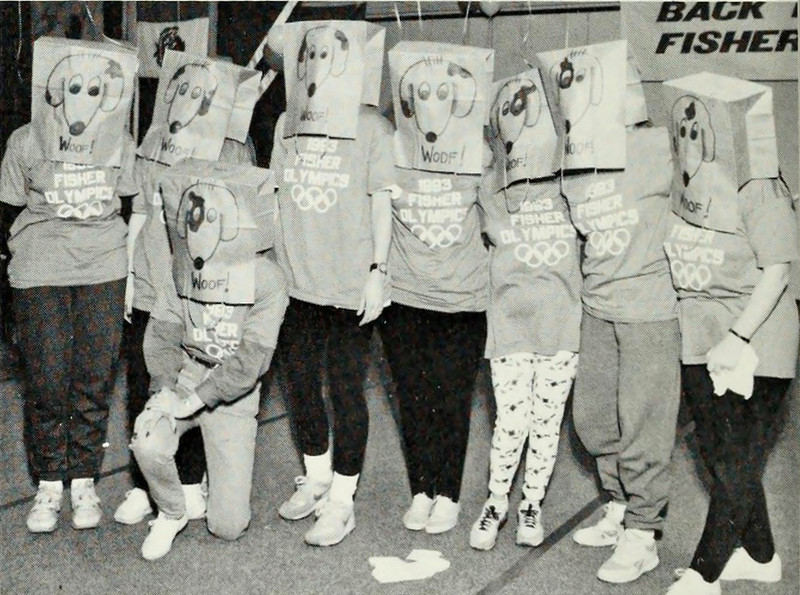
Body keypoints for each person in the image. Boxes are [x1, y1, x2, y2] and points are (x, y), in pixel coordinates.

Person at [662, 74, 799, 595]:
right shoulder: (685, 185)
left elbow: (778, 272)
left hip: (757, 339)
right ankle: (761, 557)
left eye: (700, 130)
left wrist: (737, 338)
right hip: (701, 333)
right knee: (720, 456)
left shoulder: (761, 188)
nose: (690, 140)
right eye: (684, 129)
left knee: (736, 459)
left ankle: (705, 572)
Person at [269, 20, 395, 547]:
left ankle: (343, 500)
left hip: (348, 283)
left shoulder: (373, 128)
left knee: (345, 389)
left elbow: (382, 202)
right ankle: (317, 477)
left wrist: (378, 272)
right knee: (299, 383)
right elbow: (275, 198)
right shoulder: (287, 123)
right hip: (295, 281)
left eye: (329, 53)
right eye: (310, 53)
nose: (317, 62)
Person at [130, 160, 288, 560]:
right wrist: (165, 391)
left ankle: (209, 485)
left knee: (228, 526)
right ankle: (171, 511)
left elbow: (250, 362)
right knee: (147, 438)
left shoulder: (268, 280)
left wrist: (192, 402)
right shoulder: (179, 267)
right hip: (188, 371)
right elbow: (162, 336)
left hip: (233, 392)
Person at [563, 56, 681, 584]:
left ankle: (643, 531)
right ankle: (618, 502)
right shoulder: (578, 157)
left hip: (650, 308)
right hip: (597, 305)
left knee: (643, 426)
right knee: (593, 420)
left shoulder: (659, 147)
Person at [380, 41, 493, 535]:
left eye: (443, 92)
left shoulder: (479, 152)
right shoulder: (393, 148)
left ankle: (447, 492)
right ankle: (421, 489)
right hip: (405, 295)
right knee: (412, 397)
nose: (432, 102)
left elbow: (496, 217)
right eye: (421, 92)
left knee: (452, 399)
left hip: (463, 298)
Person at [0, 124, 138, 532]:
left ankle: (82, 479)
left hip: (103, 266)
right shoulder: (25, 140)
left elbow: (133, 204)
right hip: (41, 267)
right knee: (46, 379)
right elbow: (8, 206)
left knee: (93, 378)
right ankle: (48, 482)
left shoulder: (119, 139)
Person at [115, 137, 257, 526]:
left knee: (193, 381)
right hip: (153, 287)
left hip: (197, 290)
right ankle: (145, 485)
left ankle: (191, 482)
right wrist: (130, 273)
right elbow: (140, 210)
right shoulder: (160, 139)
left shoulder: (229, 143)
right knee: (143, 381)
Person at [469, 69, 582, 551]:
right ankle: (496, 500)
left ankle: (531, 503)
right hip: (510, 324)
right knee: (511, 423)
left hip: (561, 324)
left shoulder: (571, 186)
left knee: (545, 424)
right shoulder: (491, 188)